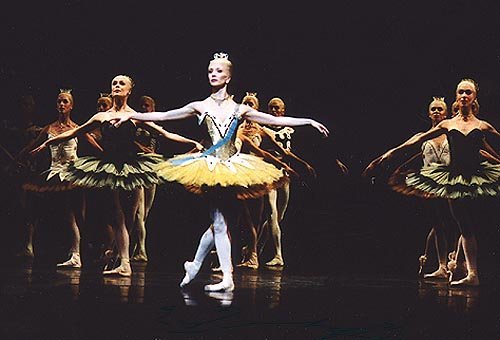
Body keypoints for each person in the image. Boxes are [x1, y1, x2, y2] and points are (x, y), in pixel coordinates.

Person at [112, 52, 329, 291]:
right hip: (211, 169)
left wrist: (308, 121)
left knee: (222, 222)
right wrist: (131, 115)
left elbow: (273, 120)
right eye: (210, 71)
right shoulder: (200, 105)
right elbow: (164, 115)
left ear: (228, 76)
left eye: (218, 71)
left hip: (233, 168)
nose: (213, 75)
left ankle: (195, 265)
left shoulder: (239, 109)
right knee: (220, 222)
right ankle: (227, 278)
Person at [31, 75, 202, 276]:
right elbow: (74, 133)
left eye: (122, 83)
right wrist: (47, 143)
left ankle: (122, 257)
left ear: (129, 90)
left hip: (131, 166)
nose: (117, 86)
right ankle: (124, 262)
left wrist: (192, 143)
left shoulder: (135, 115)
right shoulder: (102, 116)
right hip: (110, 166)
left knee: (130, 214)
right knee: (118, 213)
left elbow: (164, 133)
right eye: (114, 83)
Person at [364, 79, 500, 286]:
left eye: (468, 92)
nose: (464, 95)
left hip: (477, 178)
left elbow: (490, 147)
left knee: (467, 224)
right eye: (461, 92)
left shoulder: (482, 126)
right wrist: (390, 153)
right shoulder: (448, 124)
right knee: (462, 225)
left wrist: (495, 160)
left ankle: (469, 271)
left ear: (474, 97)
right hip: (453, 179)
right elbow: (418, 140)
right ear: (456, 96)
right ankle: (464, 270)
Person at [16, 90, 102, 267]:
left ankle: (77, 253)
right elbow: (32, 146)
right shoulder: (49, 128)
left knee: (75, 213)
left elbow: (95, 147)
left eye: (65, 102)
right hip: (54, 173)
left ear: (71, 106)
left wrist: (109, 158)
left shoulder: (77, 128)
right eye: (59, 102)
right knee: (58, 212)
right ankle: (62, 251)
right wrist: (19, 157)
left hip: (73, 173)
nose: (61, 104)